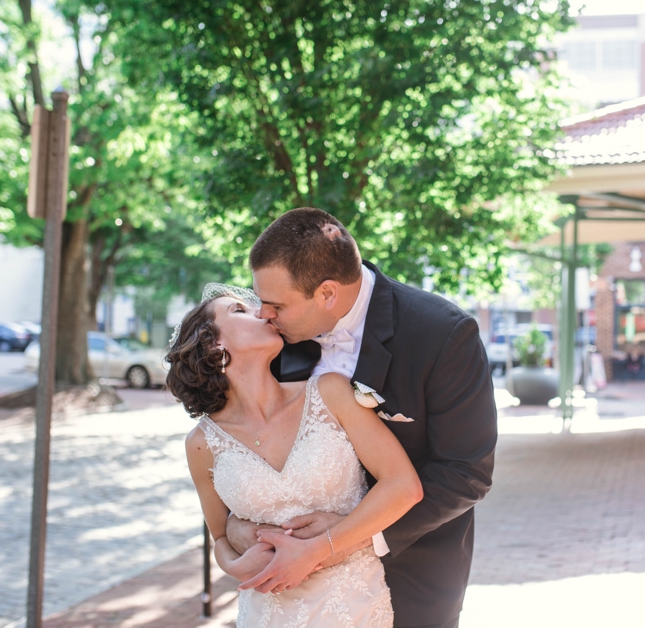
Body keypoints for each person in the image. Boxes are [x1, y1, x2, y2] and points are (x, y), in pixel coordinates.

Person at [222, 208, 497, 628]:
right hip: (299, 590)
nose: (263, 314)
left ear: (327, 293)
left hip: (412, 567)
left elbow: (467, 472)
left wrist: (347, 539)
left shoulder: (442, 335)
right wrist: (247, 534)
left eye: (276, 304)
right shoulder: (275, 342)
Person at [173, 287, 424, 626]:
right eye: (239, 311)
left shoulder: (330, 393)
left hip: (351, 608)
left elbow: (404, 486)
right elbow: (219, 536)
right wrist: (233, 565)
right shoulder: (202, 443)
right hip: (268, 611)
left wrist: (324, 547)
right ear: (214, 345)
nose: (262, 312)